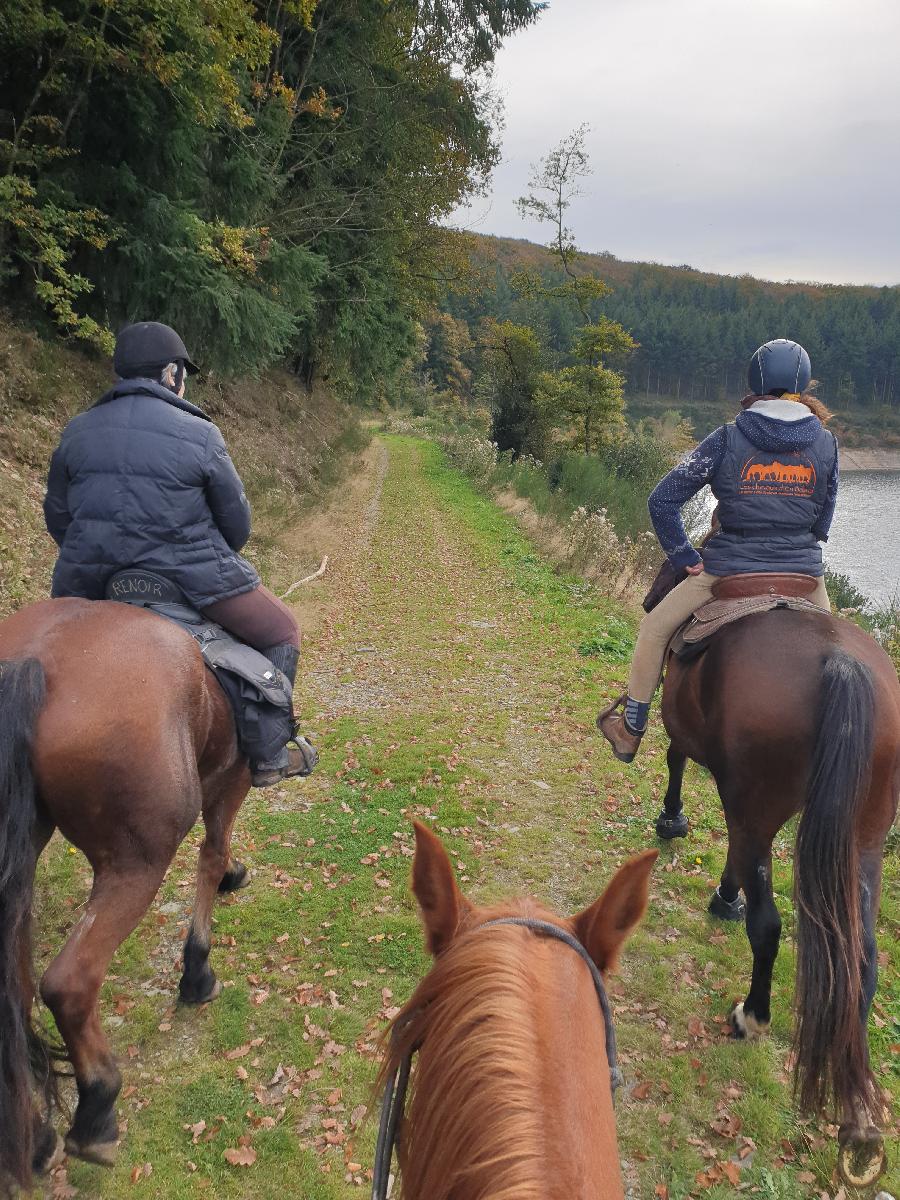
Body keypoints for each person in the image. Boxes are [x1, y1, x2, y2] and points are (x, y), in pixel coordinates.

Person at [43, 320, 315, 787]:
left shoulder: (76, 431)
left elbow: (59, 519)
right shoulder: (200, 433)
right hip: (191, 578)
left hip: (91, 581)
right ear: (171, 374)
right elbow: (237, 528)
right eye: (182, 373)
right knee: (282, 628)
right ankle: (268, 751)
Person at [597, 338, 837, 762]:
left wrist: (686, 557)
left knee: (654, 630)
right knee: (838, 651)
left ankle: (631, 727)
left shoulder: (727, 438)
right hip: (803, 576)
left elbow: (663, 500)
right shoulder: (826, 443)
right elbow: (822, 522)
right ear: (802, 383)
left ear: (754, 381)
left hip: (727, 573)